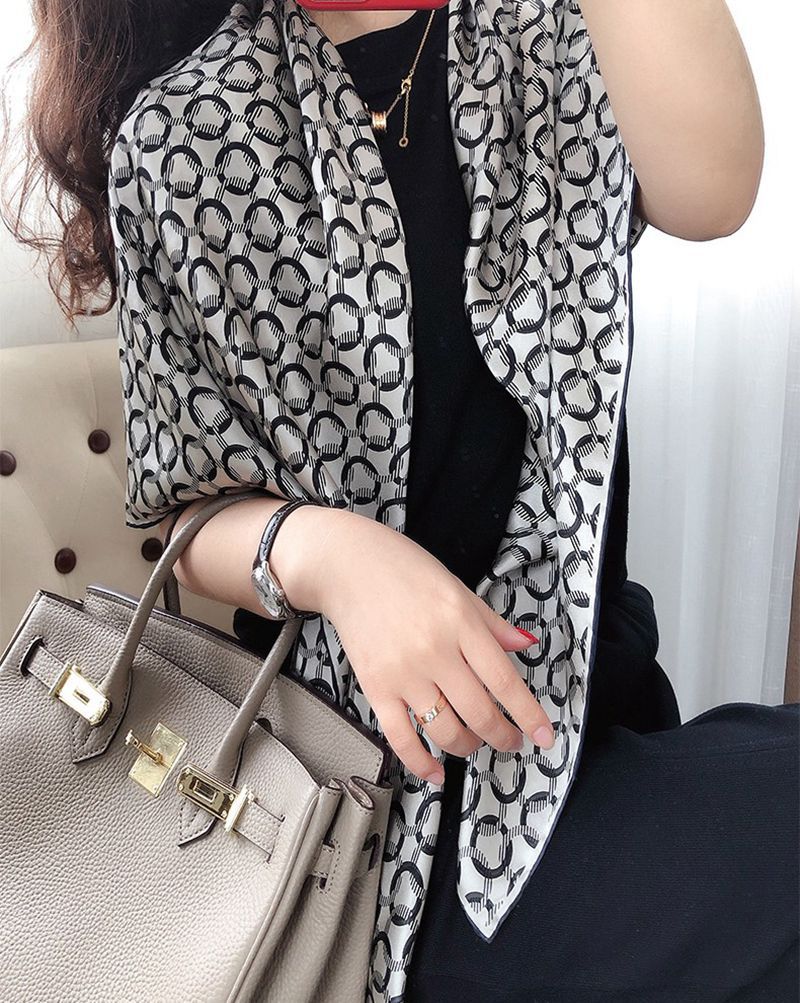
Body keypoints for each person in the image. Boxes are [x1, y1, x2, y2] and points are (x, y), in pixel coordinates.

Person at [3, 1, 797, 1000]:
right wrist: (334, 556)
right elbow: (185, 512)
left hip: (590, 720)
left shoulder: (545, 33)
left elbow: (713, 189)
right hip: (363, 812)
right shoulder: (185, 128)